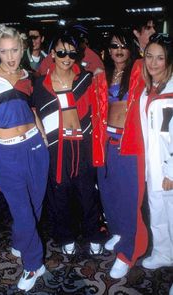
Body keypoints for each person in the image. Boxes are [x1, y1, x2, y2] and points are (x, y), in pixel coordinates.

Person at [0, 24, 49, 292]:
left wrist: (43, 138)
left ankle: (21, 243)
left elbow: (33, 111)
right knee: (21, 209)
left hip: (34, 146)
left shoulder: (29, 76)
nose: (10, 56)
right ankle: (34, 264)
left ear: (23, 48)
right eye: (4, 51)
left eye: (15, 50)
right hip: (5, 152)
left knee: (35, 205)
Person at [32, 29, 107, 255]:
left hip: (82, 145)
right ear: (52, 53)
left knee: (87, 193)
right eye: (62, 52)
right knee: (60, 194)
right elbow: (34, 110)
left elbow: (101, 106)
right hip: (57, 147)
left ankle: (94, 233)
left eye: (72, 54)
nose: (66, 58)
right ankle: (65, 236)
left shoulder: (85, 78)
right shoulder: (41, 85)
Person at [97, 29, 148, 279]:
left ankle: (127, 251)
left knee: (130, 199)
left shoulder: (139, 69)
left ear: (132, 49)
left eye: (124, 46)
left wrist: (145, 44)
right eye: (114, 46)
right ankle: (117, 231)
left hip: (130, 144)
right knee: (109, 192)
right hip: (107, 141)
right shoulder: (103, 75)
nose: (119, 50)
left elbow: (154, 61)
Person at [121, 33, 173, 271]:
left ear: (169, 60)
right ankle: (163, 253)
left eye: (160, 58)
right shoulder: (147, 90)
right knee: (158, 212)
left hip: (168, 167)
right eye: (149, 56)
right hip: (152, 165)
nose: (152, 63)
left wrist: (171, 172)